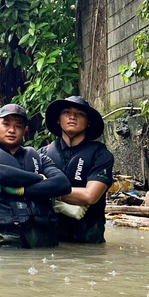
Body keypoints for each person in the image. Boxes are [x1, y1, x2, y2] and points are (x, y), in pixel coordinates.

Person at [0, 104, 71, 248]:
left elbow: (63, 184)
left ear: (25, 130)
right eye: (6, 124)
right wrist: (40, 178)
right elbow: (1, 174)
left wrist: (21, 189)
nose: (11, 130)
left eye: (18, 126)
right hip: (3, 241)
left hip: (45, 241)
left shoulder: (40, 158)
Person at [38, 96, 114, 243]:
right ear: (58, 119)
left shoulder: (100, 154)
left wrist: (48, 192)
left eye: (80, 114)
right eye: (66, 112)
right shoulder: (42, 154)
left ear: (88, 122)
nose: (72, 117)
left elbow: (90, 195)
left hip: (87, 241)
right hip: (50, 239)